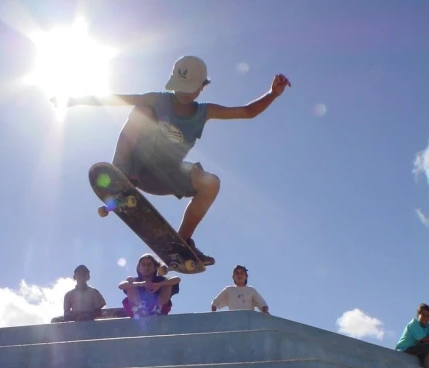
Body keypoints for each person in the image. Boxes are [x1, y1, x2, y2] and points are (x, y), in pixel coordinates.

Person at [64, 56, 291, 266]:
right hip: (136, 166)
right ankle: (121, 175)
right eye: (179, 88)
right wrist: (75, 100)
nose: (182, 94)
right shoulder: (158, 99)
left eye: (189, 89)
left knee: (211, 182)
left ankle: (181, 242)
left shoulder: (205, 112)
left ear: (202, 87)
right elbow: (115, 99)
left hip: (165, 175)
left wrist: (272, 93)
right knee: (143, 110)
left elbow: (247, 112)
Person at [119, 253, 180, 318]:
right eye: (143, 264)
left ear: (154, 268)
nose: (146, 267)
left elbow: (177, 279)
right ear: (139, 268)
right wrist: (140, 284)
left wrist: (159, 284)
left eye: (149, 264)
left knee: (168, 283)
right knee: (130, 280)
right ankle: (140, 308)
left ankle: (157, 308)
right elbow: (121, 286)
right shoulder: (136, 280)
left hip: (159, 311)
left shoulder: (159, 280)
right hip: (135, 310)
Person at [396, 303, 429, 368]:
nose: (426, 318)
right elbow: (424, 339)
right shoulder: (414, 323)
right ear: (418, 315)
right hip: (404, 350)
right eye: (424, 315)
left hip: (416, 349)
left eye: (428, 316)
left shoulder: (427, 327)